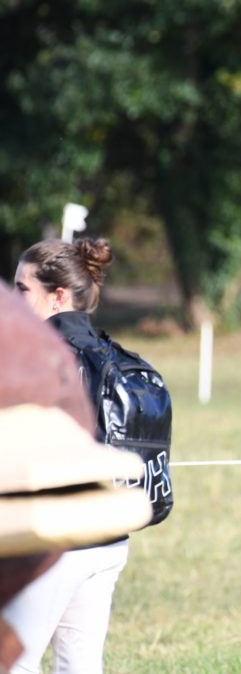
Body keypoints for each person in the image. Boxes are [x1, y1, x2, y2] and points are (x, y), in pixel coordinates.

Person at [6, 238, 129, 673]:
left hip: (54, 538)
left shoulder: (37, 358)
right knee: (79, 666)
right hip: (109, 538)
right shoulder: (113, 353)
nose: (16, 300)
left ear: (58, 295)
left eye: (23, 290)